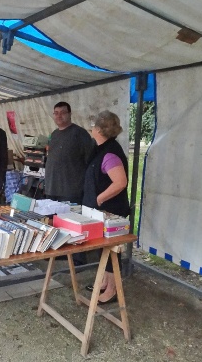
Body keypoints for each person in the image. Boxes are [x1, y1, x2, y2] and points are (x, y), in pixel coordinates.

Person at [82, 110, 129, 304]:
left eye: (93, 126)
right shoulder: (102, 147)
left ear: (100, 129)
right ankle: (104, 281)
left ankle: (112, 289)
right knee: (105, 250)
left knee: (112, 251)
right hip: (102, 210)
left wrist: (99, 199)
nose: (91, 128)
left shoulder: (110, 152)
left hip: (111, 211)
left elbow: (120, 182)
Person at [45, 101, 95, 204]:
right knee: (52, 219)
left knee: (68, 219)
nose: (59, 115)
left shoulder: (80, 133)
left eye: (63, 112)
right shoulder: (54, 134)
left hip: (71, 191)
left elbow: (90, 160)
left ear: (70, 114)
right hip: (52, 188)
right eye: (56, 113)